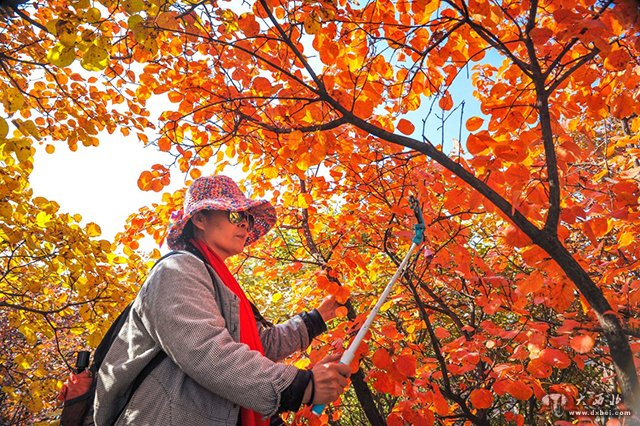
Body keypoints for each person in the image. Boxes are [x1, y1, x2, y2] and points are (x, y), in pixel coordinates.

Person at [94, 175, 351, 425]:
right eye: (236, 215)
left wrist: (318, 318)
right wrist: (302, 386)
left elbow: (261, 344)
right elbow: (205, 350)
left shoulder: (222, 283)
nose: (245, 225)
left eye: (248, 219)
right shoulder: (177, 270)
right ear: (200, 218)